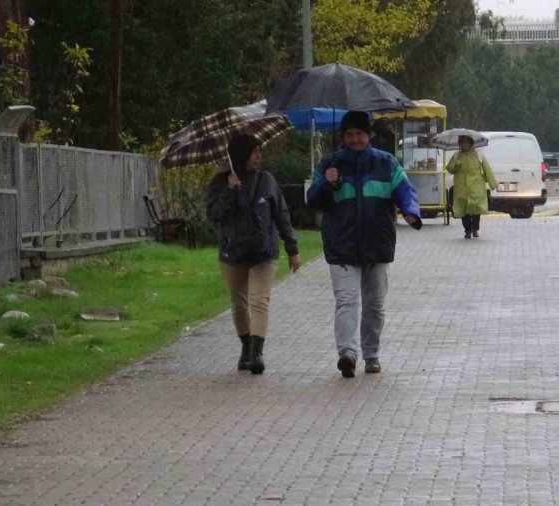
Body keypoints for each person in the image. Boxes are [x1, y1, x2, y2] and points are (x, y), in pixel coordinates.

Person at [307, 110, 422, 378]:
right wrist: (327, 182)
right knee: (346, 301)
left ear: (369, 135)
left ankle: (371, 354)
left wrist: (410, 210)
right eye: (349, 134)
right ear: (342, 137)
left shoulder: (386, 163)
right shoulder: (329, 165)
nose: (355, 139)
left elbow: (406, 190)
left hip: (377, 244)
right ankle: (347, 353)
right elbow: (312, 198)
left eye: (359, 133)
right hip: (341, 246)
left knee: (374, 304)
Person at [206, 135, 301, 375]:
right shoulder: (219, 182)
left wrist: (292, 249)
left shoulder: (266, 180)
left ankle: (257, 353)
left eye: (259, 152)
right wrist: (229, 190)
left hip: (264, 252)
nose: (259, 157)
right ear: (240, 156)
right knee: (239, 304)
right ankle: (246, 348)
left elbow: (281, 214)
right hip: (232, 254)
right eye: (254, 152)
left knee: (259, 301)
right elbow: (214, 215)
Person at [446, 135, 497, 239]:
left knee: (476, 209)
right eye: (463, 143)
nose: (465, 145)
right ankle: (467, 230)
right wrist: (456, 166)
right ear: (460, 144)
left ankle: (475, 229)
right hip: (461, 188)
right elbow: (449, 168)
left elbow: (487, 169)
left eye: (467, 142)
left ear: (471, 143)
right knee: (463, 210)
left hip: (476, 187)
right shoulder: (456, 156)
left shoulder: (479, 155)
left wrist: (493, 184)